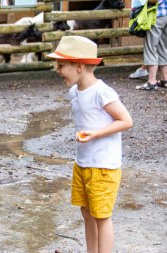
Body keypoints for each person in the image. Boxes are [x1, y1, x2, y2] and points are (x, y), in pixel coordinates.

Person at [47, 36, 133, 253]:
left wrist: (95, 134)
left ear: (78, 66)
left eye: (61, 65)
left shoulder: (102, 92)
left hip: (103, 166)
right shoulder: (74, 92)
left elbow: (126, 121)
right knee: (86, 212)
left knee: (102, 216)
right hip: (83, 163)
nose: (57, 70)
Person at [136, 0, 167, 90]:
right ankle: (165, 80)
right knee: (163, 47)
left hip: (156, 14)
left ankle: (151, 82)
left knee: (150, 47)